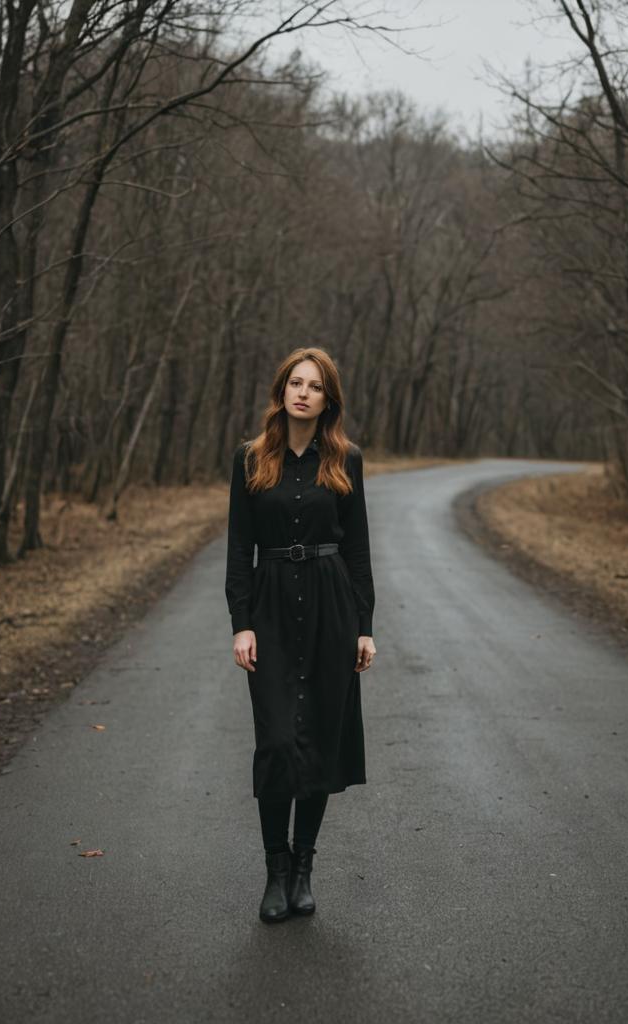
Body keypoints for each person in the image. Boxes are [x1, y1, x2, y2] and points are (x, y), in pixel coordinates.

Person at [225, 347, 377, 924]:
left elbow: (358, 548)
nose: (303, 392)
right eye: (296, 382)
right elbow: (240, 549)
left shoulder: (345, 459)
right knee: (277, 742)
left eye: (315, 386)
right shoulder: (249, 458)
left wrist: (365, 627)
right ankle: (275, 869)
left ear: (327, 399)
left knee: (318, 739)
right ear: (281, 390)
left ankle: (305, 868)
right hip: (268, 609)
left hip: (330, 609)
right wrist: (240, 622)